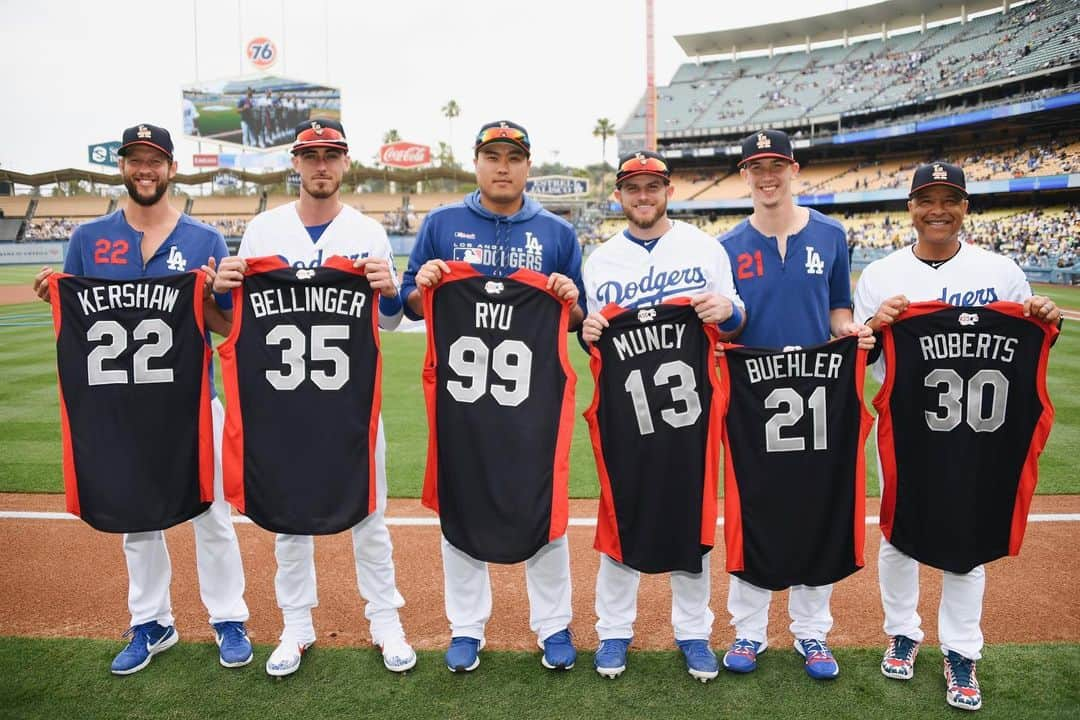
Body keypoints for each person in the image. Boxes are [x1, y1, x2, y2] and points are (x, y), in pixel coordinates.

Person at [32, 123, 252, 675]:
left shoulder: (205, 240)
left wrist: (206, 298)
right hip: (123, 408)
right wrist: (53, 294)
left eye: (155, 160)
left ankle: (228, 618)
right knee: (137, 519)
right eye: (135, 159)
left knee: (214, 515)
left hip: (193, 402)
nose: (145, 169)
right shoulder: (87, 240)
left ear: (172, 169)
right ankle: (151, 622)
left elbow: (225, 328)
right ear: (123, 168)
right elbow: (78, 323)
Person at [854, 161, 1063, 712]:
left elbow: (1030, 354)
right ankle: (902, 632)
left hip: (979, 431)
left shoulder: (1002, 271)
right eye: (927, 199)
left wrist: (1044, 319)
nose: (938, 209)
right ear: (912, 208)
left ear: (966, 207)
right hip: (905, 424)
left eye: (950, 199)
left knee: (967, 538)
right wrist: (874, 325)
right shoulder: (879, 275)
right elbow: (862, 353)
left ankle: (962, 651)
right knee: (898, 532)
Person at [212, 118, 416, 677]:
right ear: (296, 164)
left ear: (345, 162)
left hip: (350, 405)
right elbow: (234, 322)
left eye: (331, 155)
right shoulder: (262, 231)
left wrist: (390, 290)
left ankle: (385, 620)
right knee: (288, 520)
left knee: (369, 515)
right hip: (283, 408)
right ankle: (295, 625)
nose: (321, 164)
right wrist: (224, 288)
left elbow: (393, 322)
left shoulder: (368, 233)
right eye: (311, 155)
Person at [400, 120, 584, 673]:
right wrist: (425, 284)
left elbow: (577, 319)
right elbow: (410, 303)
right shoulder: (441, 223)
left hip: (531, 399)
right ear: (476, 162)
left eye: (513, 156)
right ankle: (466, 627)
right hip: (463, 396)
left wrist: (568, 297)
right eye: (493, 155)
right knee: (462, 501)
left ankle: (553, 625)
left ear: (528, 165)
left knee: (542, 505)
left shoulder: (556, 233)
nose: (503, 166)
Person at [580, 150, 745, 681]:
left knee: (688, 523)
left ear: (668, 190)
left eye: (653, 187)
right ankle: (613, 632)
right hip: (627, 415)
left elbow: (737, 315)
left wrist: (729, 311)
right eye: (633, 188)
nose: (643, 196)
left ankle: (694, 632)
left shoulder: (704, 248)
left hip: (692, 413)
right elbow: (600, 346)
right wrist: (587, 335)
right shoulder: (600, 260)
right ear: (620, 196)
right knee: (620, 518)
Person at [718, 129, 872, 680]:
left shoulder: (831, 236)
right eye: (756, 167)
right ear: (744, 175)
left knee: (816, 505)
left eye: (776, 165)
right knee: (753, 506)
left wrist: (852, 332)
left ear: (794, 169)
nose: (767, 176)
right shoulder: (728, 247)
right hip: (754, 400)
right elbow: (725, 328)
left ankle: (812, 633)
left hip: (817, 395)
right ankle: (749, 631)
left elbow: (836, 314)